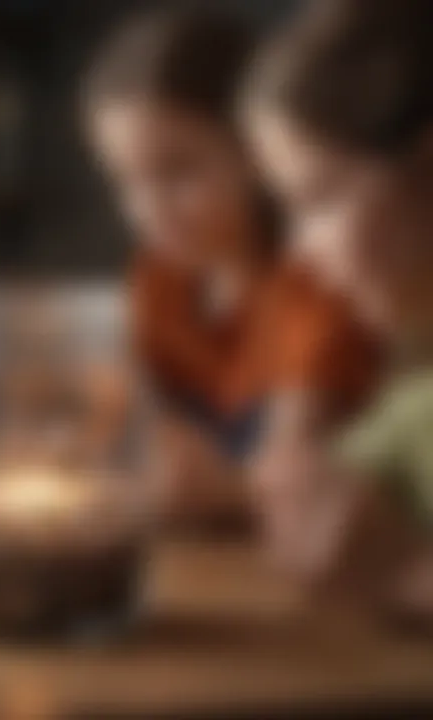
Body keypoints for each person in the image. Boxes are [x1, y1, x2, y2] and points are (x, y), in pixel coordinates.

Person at [84, 6, 381, 526]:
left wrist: (221, 487)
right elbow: (119, 418)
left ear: (257, 153)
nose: (149, 210)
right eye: (125, 182)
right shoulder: (159, 282)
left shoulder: (317, 285)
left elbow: (301, 485)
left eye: (178, 173)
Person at [245, 0, 433, 618]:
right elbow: (314, 493)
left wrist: (407, 574)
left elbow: (392, 562)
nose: (302, 252)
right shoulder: (415, 405)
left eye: (320, 197)